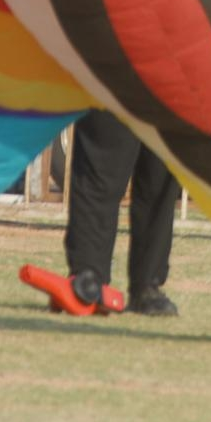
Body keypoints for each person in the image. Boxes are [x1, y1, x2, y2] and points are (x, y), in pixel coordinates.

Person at [56, 109, 181, 316]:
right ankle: (88, 276)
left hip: (171, 85)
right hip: (113, 82)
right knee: (99, 170)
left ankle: (148, 287)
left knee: (159, 180)